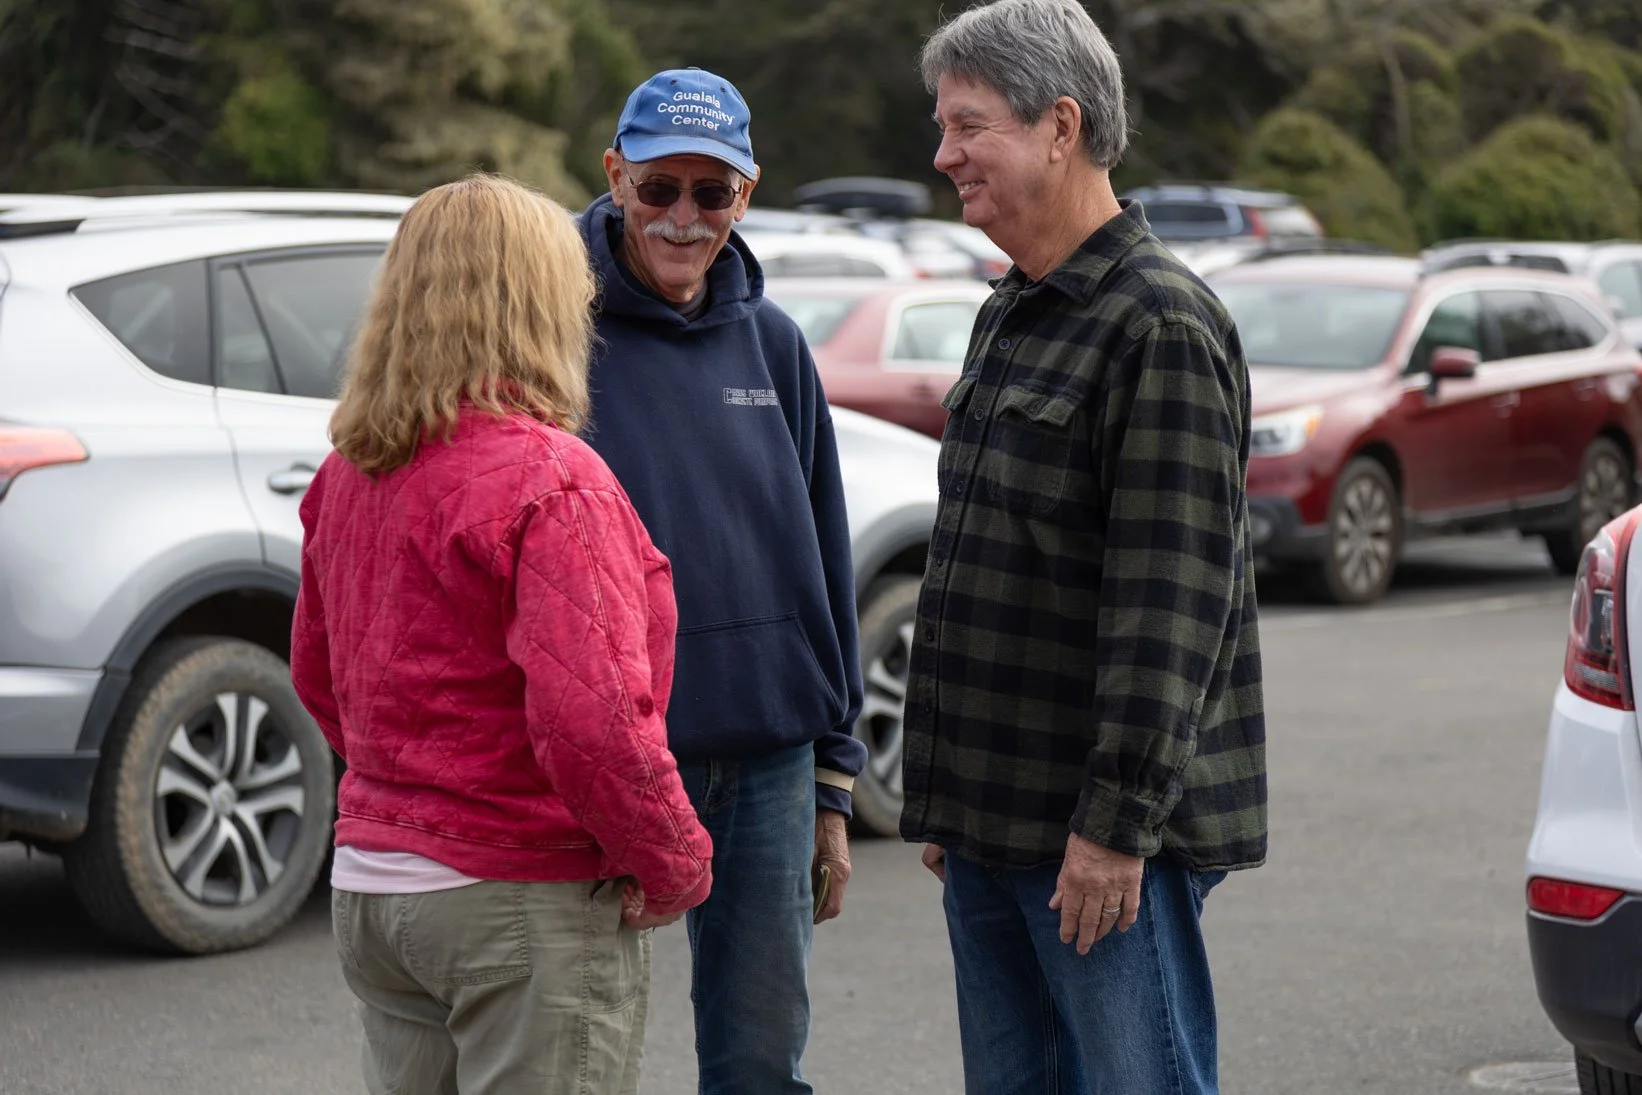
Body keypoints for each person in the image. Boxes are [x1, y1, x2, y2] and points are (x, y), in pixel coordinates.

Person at [899, 3, 1268, 1093]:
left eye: (968, 126)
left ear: (1059, 126)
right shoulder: (1012, 309)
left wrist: (1113, 830)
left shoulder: (1157, 323)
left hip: (1099, 846)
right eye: (941, 124)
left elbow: (1169, 610)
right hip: (988, 824)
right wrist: (947, 805)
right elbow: (980, 565)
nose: (942, 155)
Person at [290, 173, 712, 1095]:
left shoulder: (350, 474)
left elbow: (320, 677)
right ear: (544, 302)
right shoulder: (553, 479)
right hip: (517, 892)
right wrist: (676, 860)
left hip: (375, 885)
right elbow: (592, 720)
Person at [574, 67, 866, 1095]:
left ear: (746, 194)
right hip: (608, 758)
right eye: (660, 190)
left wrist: (835, 773)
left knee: (757, 1065)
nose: (685, 219)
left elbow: (821, 557)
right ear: (614, 176)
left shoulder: (775, 344)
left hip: (769, 770)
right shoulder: (555, 339)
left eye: (714, 194)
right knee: (574, 1056)